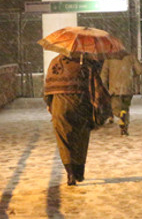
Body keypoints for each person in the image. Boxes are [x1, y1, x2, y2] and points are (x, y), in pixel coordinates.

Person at [44, 54, 105, 186]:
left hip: (59, 105)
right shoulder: (86, 63)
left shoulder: (55, 62)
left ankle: (70, 172)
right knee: (81, 138)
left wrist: (49, 103)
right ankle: (79, 171)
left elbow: (48, 86)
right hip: (81, 103)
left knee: (63, 139)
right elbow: (96, 88)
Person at [100, 53, 142, 136]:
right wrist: (130, 75)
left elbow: (103, 76)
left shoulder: (109, 58)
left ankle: (120, 115)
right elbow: (139, 70)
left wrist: (104, 86)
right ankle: (124, 128)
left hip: (114, 89)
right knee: (126, 108)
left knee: (115, 108)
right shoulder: (131, 56)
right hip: (128, 88)